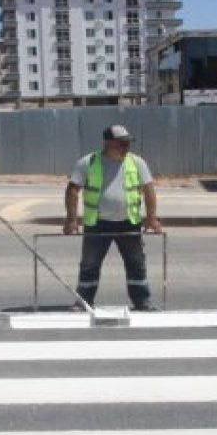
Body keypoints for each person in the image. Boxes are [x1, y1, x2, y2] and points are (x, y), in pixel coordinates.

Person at [63, 125, 162, 311]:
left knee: (136, 263)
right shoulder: (88, 162)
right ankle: (84, 301)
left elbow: (149, 190)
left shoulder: (137, 162)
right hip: (97, 223)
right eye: (121, 144)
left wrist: (151, 218)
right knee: (89, 264)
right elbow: (72, 190)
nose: (126, 148)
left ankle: (142, 302)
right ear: (108, 143)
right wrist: (71, 219)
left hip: (128, 223)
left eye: (127, 144)